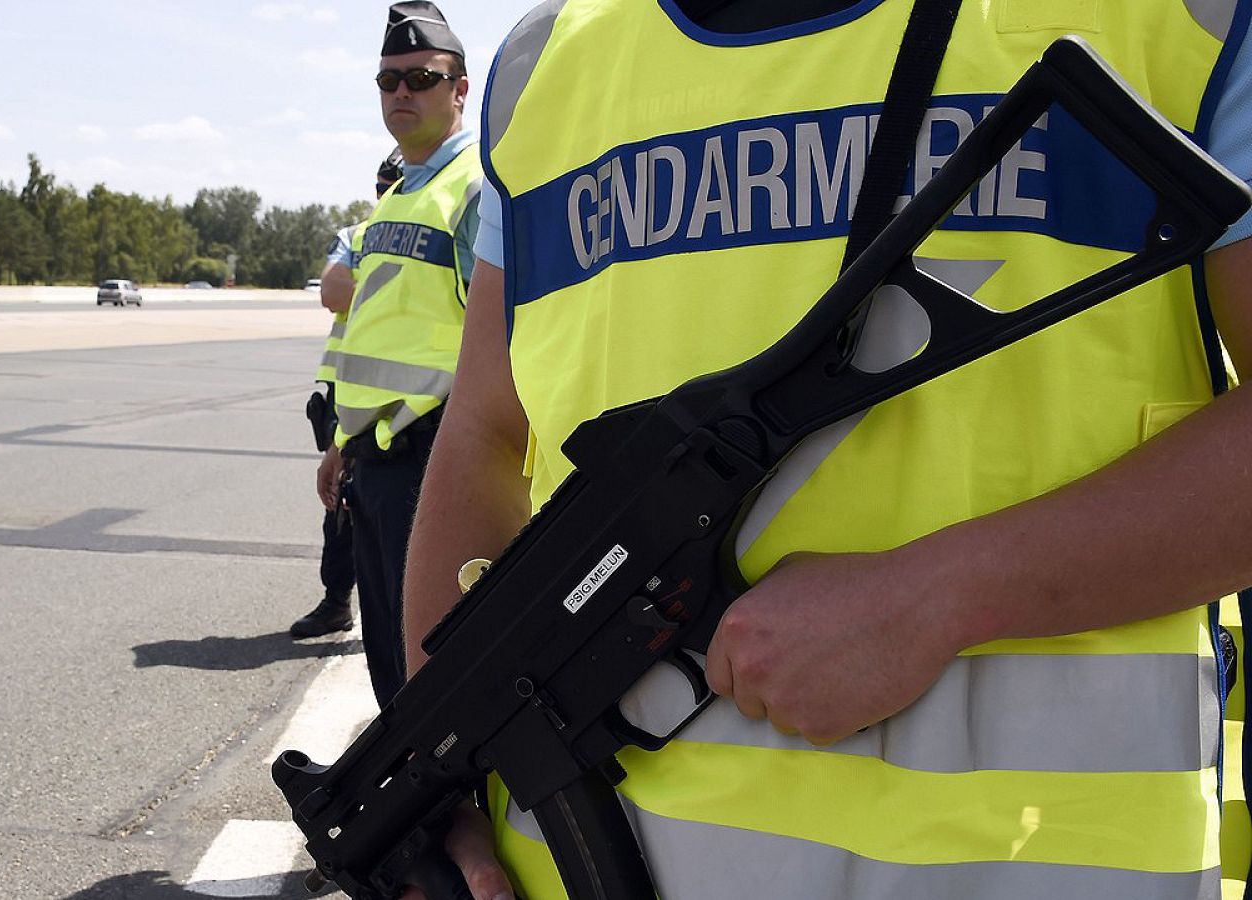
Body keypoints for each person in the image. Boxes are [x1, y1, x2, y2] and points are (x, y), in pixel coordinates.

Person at [399, 1, 1252, 898]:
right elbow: (488, 429)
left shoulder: (1175, 18)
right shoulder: (547, 62)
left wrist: (939, 597)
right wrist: (427, 774)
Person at [320, 0, 483, 706]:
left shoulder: (476, 188)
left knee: (436, 678)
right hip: (378, 463)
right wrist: (342, 442)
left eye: (421, 77)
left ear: (460, 89)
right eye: (388, 82)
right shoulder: (394, 200)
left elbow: (505, 339)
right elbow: (377, 333)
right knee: (391, 669)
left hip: (436, 462)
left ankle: (450, 818)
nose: (402, 94)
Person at [292, 150, 407, 639]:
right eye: (382, 187)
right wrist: (399, 280)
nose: (387, 196)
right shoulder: (358, 235)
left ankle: (408, 616)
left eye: (395, 185)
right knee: (341, 503)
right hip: (349, 388)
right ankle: (337, 600)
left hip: (410, 386)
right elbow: (334, 293)